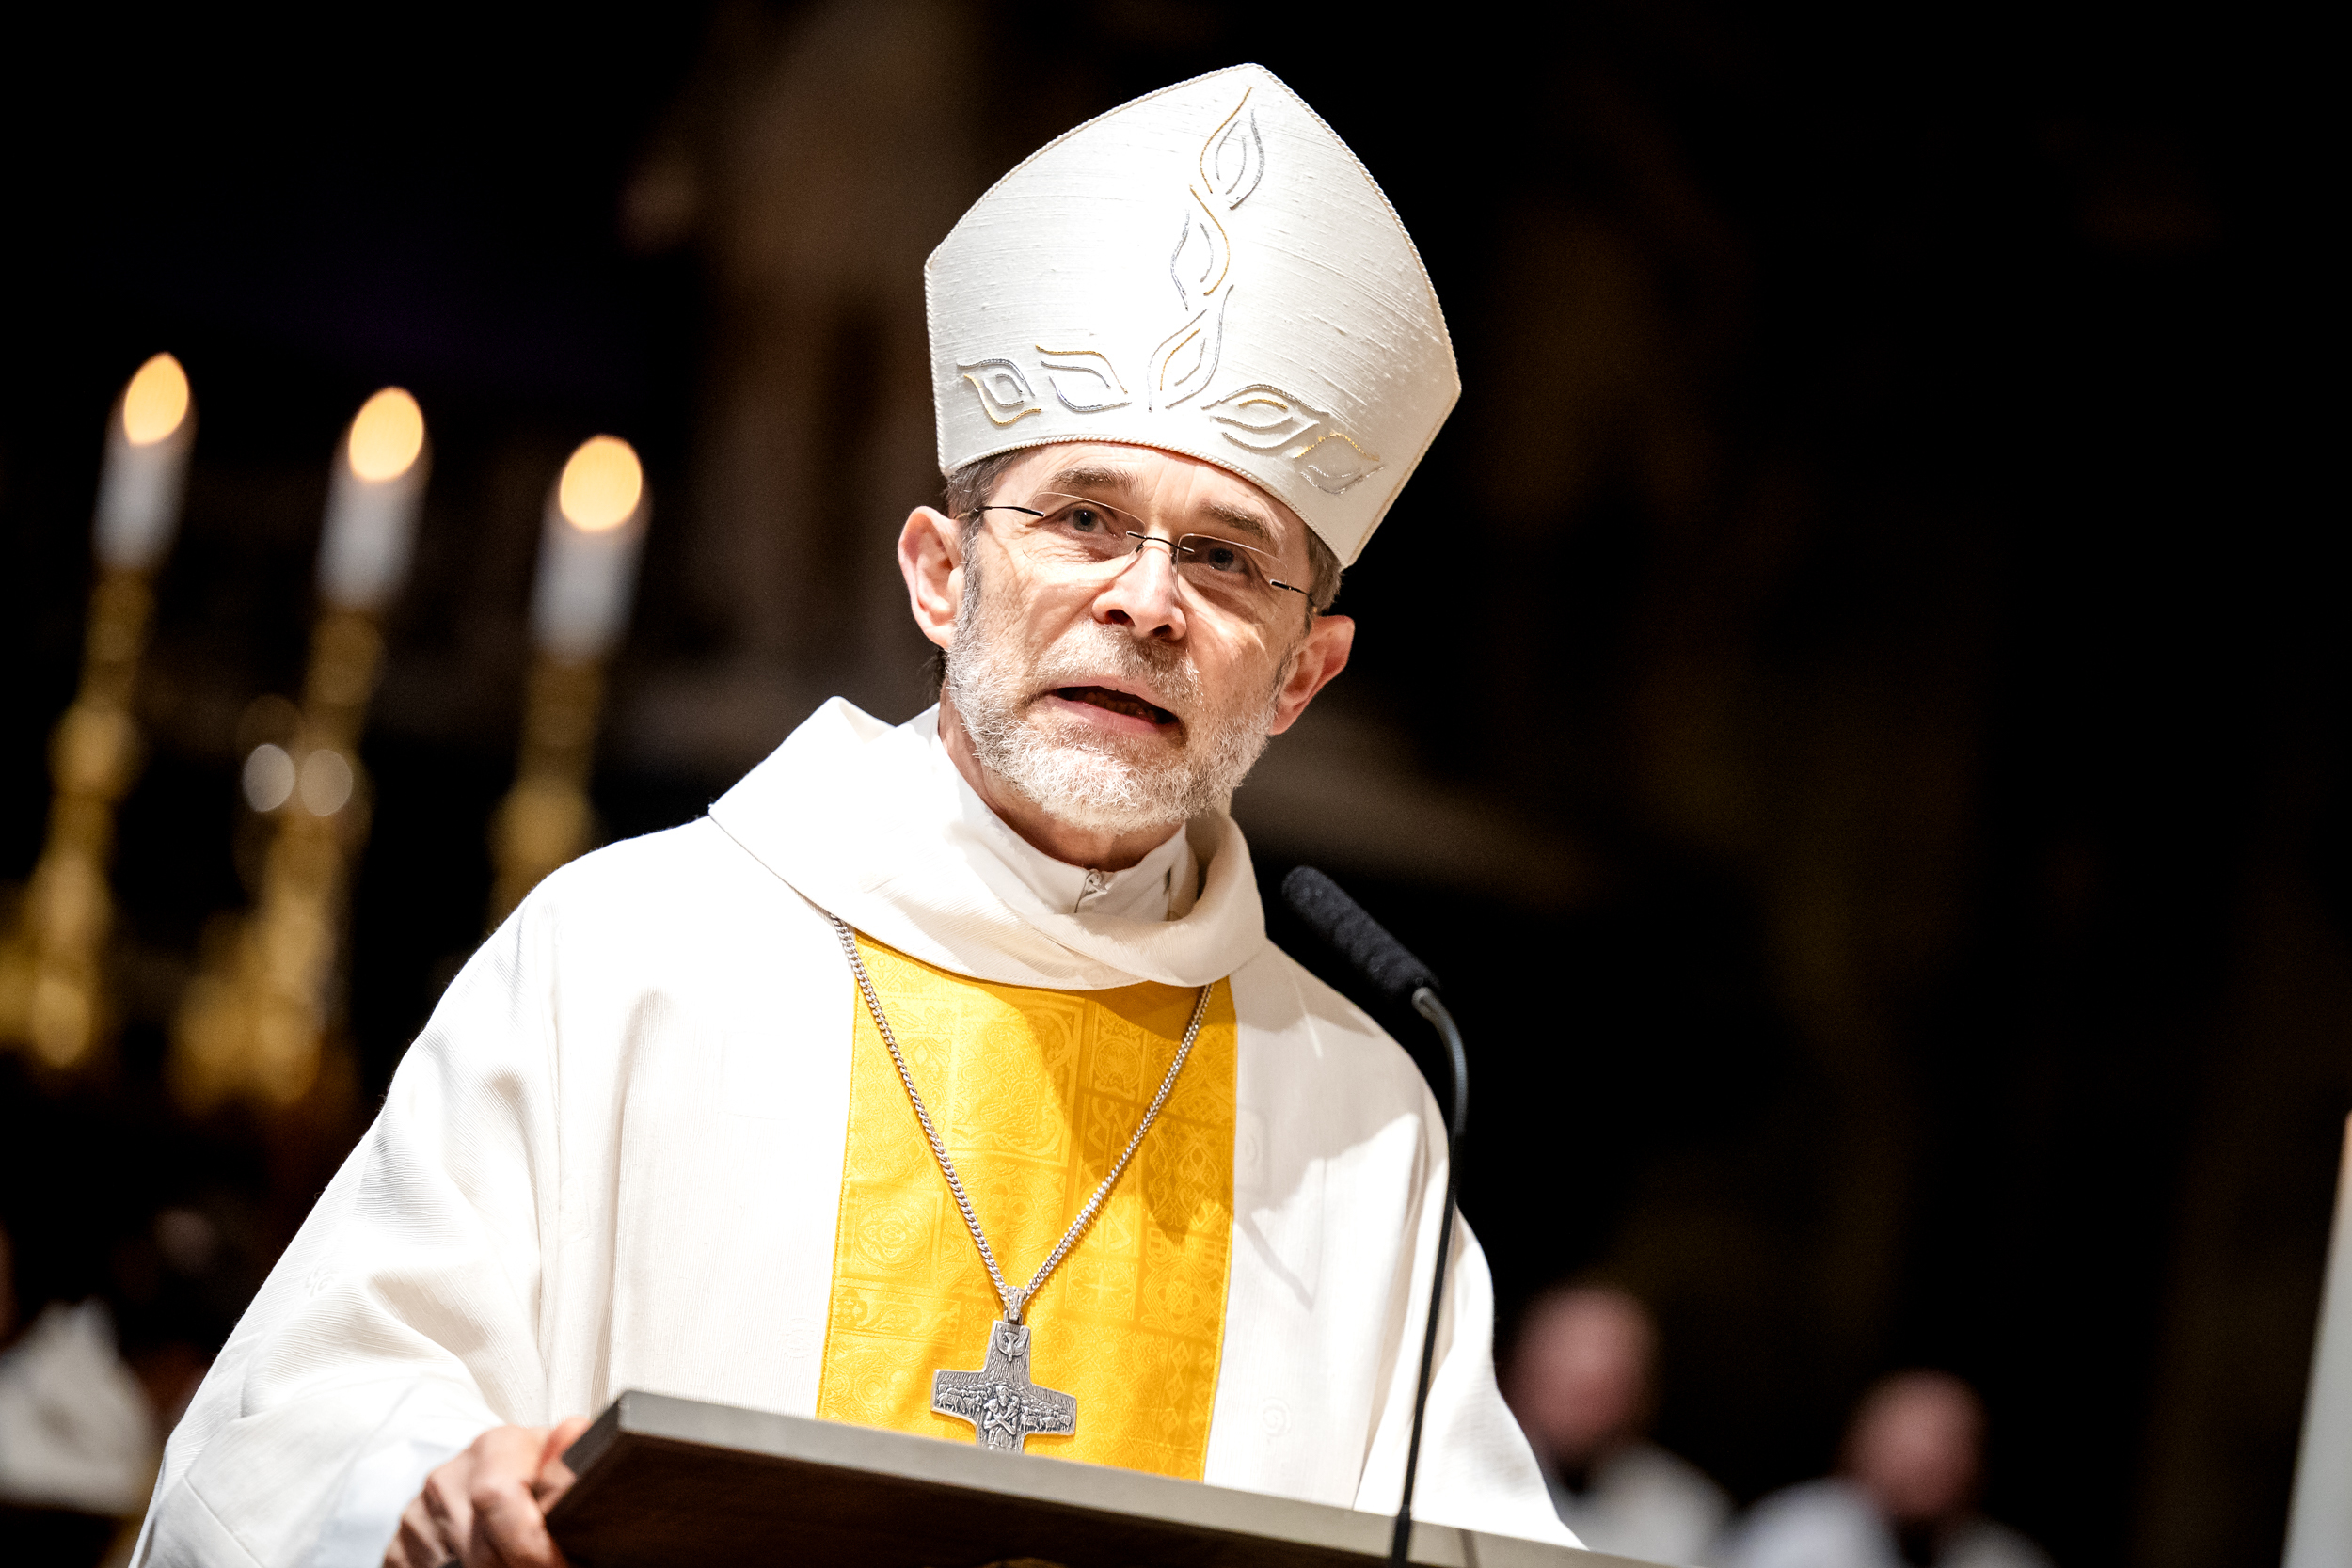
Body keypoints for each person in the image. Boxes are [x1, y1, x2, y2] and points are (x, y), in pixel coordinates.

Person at [133, 64, 1575, 1568]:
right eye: (1083, 516)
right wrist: (426, 1493)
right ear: (941, 576)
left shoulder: (1362, 1122)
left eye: (1225, 558)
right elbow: (290, 1437)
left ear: (1301, 676)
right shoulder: (628, 956)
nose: (1147, 600)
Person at [1719, 1370, 2052, 1568]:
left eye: (1950, 1445)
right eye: (1908, 1447)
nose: (1929, 1462)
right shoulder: (1796, 1536)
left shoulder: (2006, 1558)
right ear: (1858, 1450)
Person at [1504, 1284, 1730, 1564]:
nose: (1590, 1415)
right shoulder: (1463, 1497)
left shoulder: (1685, 1513)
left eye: (1609, 1389)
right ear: (1520, 1378)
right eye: (1575, 1392)